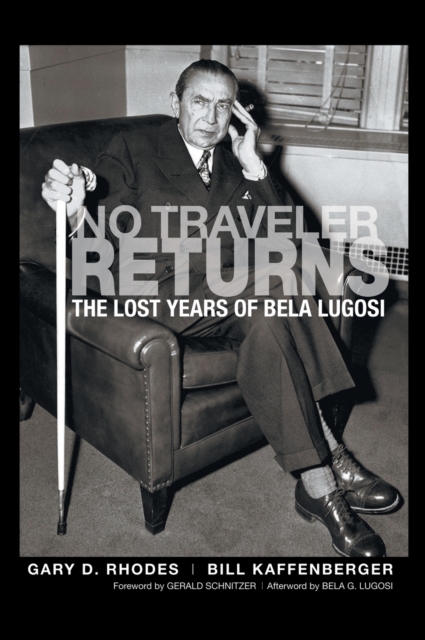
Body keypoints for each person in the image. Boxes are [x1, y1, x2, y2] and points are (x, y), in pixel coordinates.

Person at [41, 59, 400, 557]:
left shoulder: (235, 163)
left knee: (271, 320)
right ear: (175, 103)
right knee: (277, 284)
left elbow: (290, 242)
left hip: (233, 297)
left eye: (223, 105)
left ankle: (317, 484)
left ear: (236, 113)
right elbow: (95, 253)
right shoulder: (133, 149)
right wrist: (76, 207)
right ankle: (335, 452)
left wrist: (255, 167)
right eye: (199, 102)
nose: (210, 117)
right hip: (153, 298)